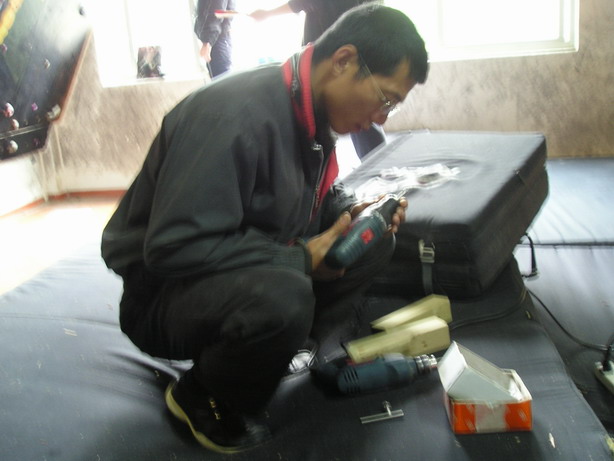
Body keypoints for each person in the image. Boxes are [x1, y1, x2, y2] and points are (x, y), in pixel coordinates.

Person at [101, 3, 428, 454]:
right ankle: (203, 395)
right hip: (162, 297)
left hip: (239, 271)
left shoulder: (309, 112)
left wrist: (351, 211)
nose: (382, 118)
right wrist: (297, 259)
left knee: (370, 242)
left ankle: (281, 349)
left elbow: (308, 194)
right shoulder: (234, 115)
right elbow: (173, 247)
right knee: (285, 294)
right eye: (385, 98)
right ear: (344, 61)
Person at [249, 0, 388, 160]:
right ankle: (380, 165)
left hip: (332, 53)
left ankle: (376, 165)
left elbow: (302, 2)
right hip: (354, 47)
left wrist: (267, 13)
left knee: (343, 114)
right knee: (360, 114)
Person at [194, 0, 236, 77]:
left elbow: (216, 12)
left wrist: (207, 42)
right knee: (223, 78)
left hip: (217, 40)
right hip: (220, 38)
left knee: (221, 79)